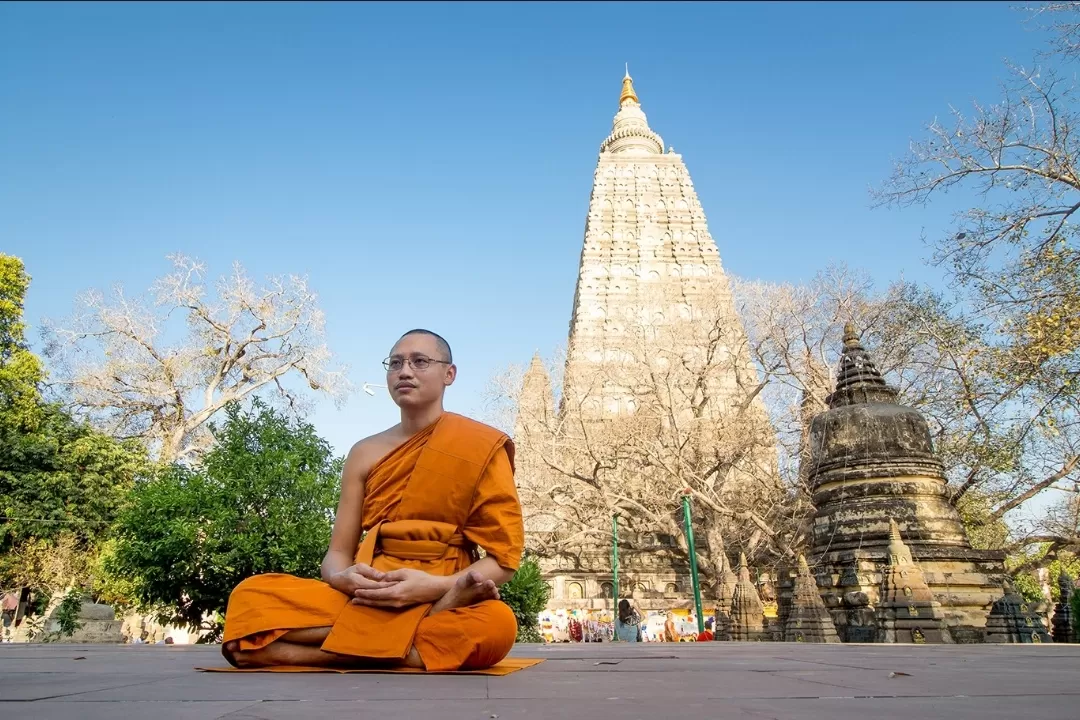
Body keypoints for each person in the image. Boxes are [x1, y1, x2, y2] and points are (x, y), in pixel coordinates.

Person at [220, 330, 525, 672]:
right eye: (395, 363)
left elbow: (504, 559)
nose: (405, 371)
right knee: (250, 596)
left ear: (449, 374)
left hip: (443, 585)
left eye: (420, 361)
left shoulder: (480, 446)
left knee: (495, 625)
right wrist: (342, 579)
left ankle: (289, 653)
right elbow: (337, 553)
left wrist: (431, 589)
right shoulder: (364, 452)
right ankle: (412, 632)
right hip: (369, 590)